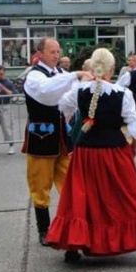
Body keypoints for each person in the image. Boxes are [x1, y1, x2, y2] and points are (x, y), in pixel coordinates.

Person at [46, 48, 136, 266]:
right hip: (114, 153)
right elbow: (135, 126)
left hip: (85, 153)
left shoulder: (80, 90)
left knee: (81, 199)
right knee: (126, 197)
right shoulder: (122, 94)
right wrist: (132, 149)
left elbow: (62, 107)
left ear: (92, 67)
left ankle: (73, 246)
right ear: (111, 69)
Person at [22, 38, 92, 245]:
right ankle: (44, 229)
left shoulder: (61, 74)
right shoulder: (34, 76)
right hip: (41, 139)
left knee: (70, 182)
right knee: (40, 185)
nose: (56, 55)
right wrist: (76, 75)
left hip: (63, 138)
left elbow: (72, 96)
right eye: (51, 51)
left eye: (58, 51)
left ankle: (73, 225)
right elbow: (48, 93)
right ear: (40, 53)